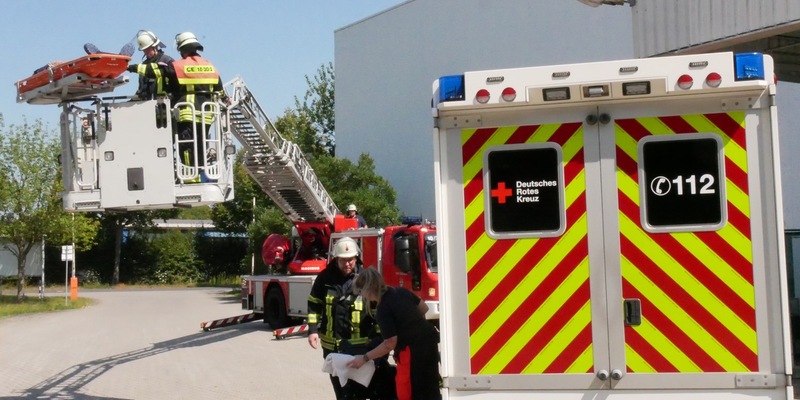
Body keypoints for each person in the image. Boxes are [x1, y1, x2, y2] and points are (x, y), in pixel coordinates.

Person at [128, 31, 228, 181]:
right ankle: (200, 176)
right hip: (207, 115)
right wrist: (226, 99)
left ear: (182, 49)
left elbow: (155, 71)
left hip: (188, 113)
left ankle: (190, 179)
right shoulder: (210, 66)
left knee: (186, 147)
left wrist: (132, 68)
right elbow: (220, 90)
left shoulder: (179, 66)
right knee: (200, 145)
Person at [347, 268, 441, 400]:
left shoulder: (383, 308)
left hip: (411, 352)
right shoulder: (400, 291)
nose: (362, 295)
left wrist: (364, 358)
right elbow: (424, 308)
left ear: (367, 290)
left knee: (408, 392)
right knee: (430, 388)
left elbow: (389, 343)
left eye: (361, 291)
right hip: (429, 345)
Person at [308, 237, 382, 399]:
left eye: (351, 260)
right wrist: (312, 330)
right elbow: (314, 303)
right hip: (332, 348)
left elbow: (378, 312)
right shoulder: (325, 278)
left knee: (359, 392)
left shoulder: (365, 279)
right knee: (341, 392)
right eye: (343, 260)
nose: (348, 264)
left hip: (359, 349)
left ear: (356, 258)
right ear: (336, 259)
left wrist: (378, 342)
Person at [127, 30, 173, 101]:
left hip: (163, 104)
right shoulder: (144, 65)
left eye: (148, 49)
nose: (146, 52)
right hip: (146, 105)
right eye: (144, 50)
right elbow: (142, 89)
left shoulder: (167, 61)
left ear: (155, 46)